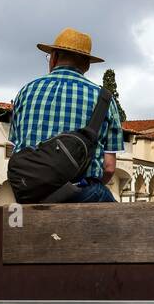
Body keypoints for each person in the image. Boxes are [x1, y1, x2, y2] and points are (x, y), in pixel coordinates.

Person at [9, 28, 123, 203]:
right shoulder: (104, 99)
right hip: (82, 193)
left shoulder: (25, 91)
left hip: (30, 196)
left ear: (53, 58)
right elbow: (108, 168)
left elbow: (17, 146)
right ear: (87, 65)